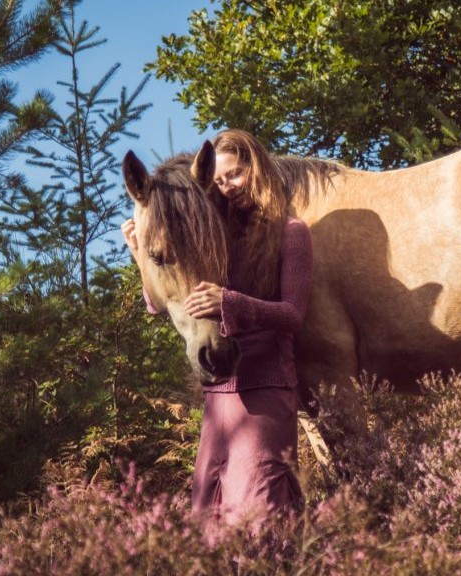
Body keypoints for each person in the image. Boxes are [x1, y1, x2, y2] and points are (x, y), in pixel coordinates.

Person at [122, 129, 312, 527]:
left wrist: (230, 301)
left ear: (258, 170)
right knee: (207, 519)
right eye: (220, 180)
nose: (226, 187)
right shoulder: (210, 234)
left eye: (236, 175)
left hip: (265, 388)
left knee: (257, 517)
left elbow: (294, 315)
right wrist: (139, 251)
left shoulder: (290, 233)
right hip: (220, 397)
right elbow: (158, 303)